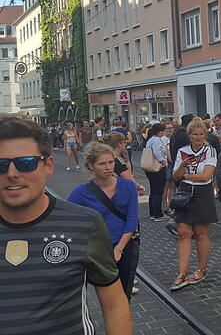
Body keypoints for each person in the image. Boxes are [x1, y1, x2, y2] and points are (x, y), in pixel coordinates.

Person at [0, 115, 132, 333]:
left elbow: (114, 305)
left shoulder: (85, 224)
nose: (12, 174)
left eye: (26, 163)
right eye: (1, 166)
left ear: (48, 166)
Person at [69, 143, 139, 300]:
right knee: (107, 297)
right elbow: (67, 218)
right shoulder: (81, 192)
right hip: (97, 251)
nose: (108, 167)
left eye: (111, 162)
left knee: (123, 296)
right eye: (102, 163)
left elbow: (132, 219)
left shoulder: (128, 186)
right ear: (91, 166)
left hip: (125, 246)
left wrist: (119, 249)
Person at [170, 118, 218, 291]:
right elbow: (175, 176)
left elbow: (206, 176)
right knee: (183, 233)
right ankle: (181, 273)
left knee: (200, 233)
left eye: (201, 134)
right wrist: (183, 165)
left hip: (202, 193)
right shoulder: (182, 151)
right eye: (195, 134)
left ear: (205, 134)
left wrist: (185, 175)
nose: (198, 137)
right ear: (189, 135)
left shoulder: (210, 151)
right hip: (184, 193)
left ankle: (200, 269)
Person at [103, 132, 146, 198]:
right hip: (119, 193)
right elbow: (128, 178)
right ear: (119, 144)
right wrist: (139, 186)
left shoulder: (105, 158)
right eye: (124, 142)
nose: (125, 145)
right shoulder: (117, 161)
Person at [144, 123, 170, 222]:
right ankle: (158, 214)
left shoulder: (150, 139)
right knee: (158, 191)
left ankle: (152, 213)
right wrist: (163, 162)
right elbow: (156, 152)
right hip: (157, 168)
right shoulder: (157, 140)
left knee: (153, 191)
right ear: (160, 132)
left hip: (149, 168)